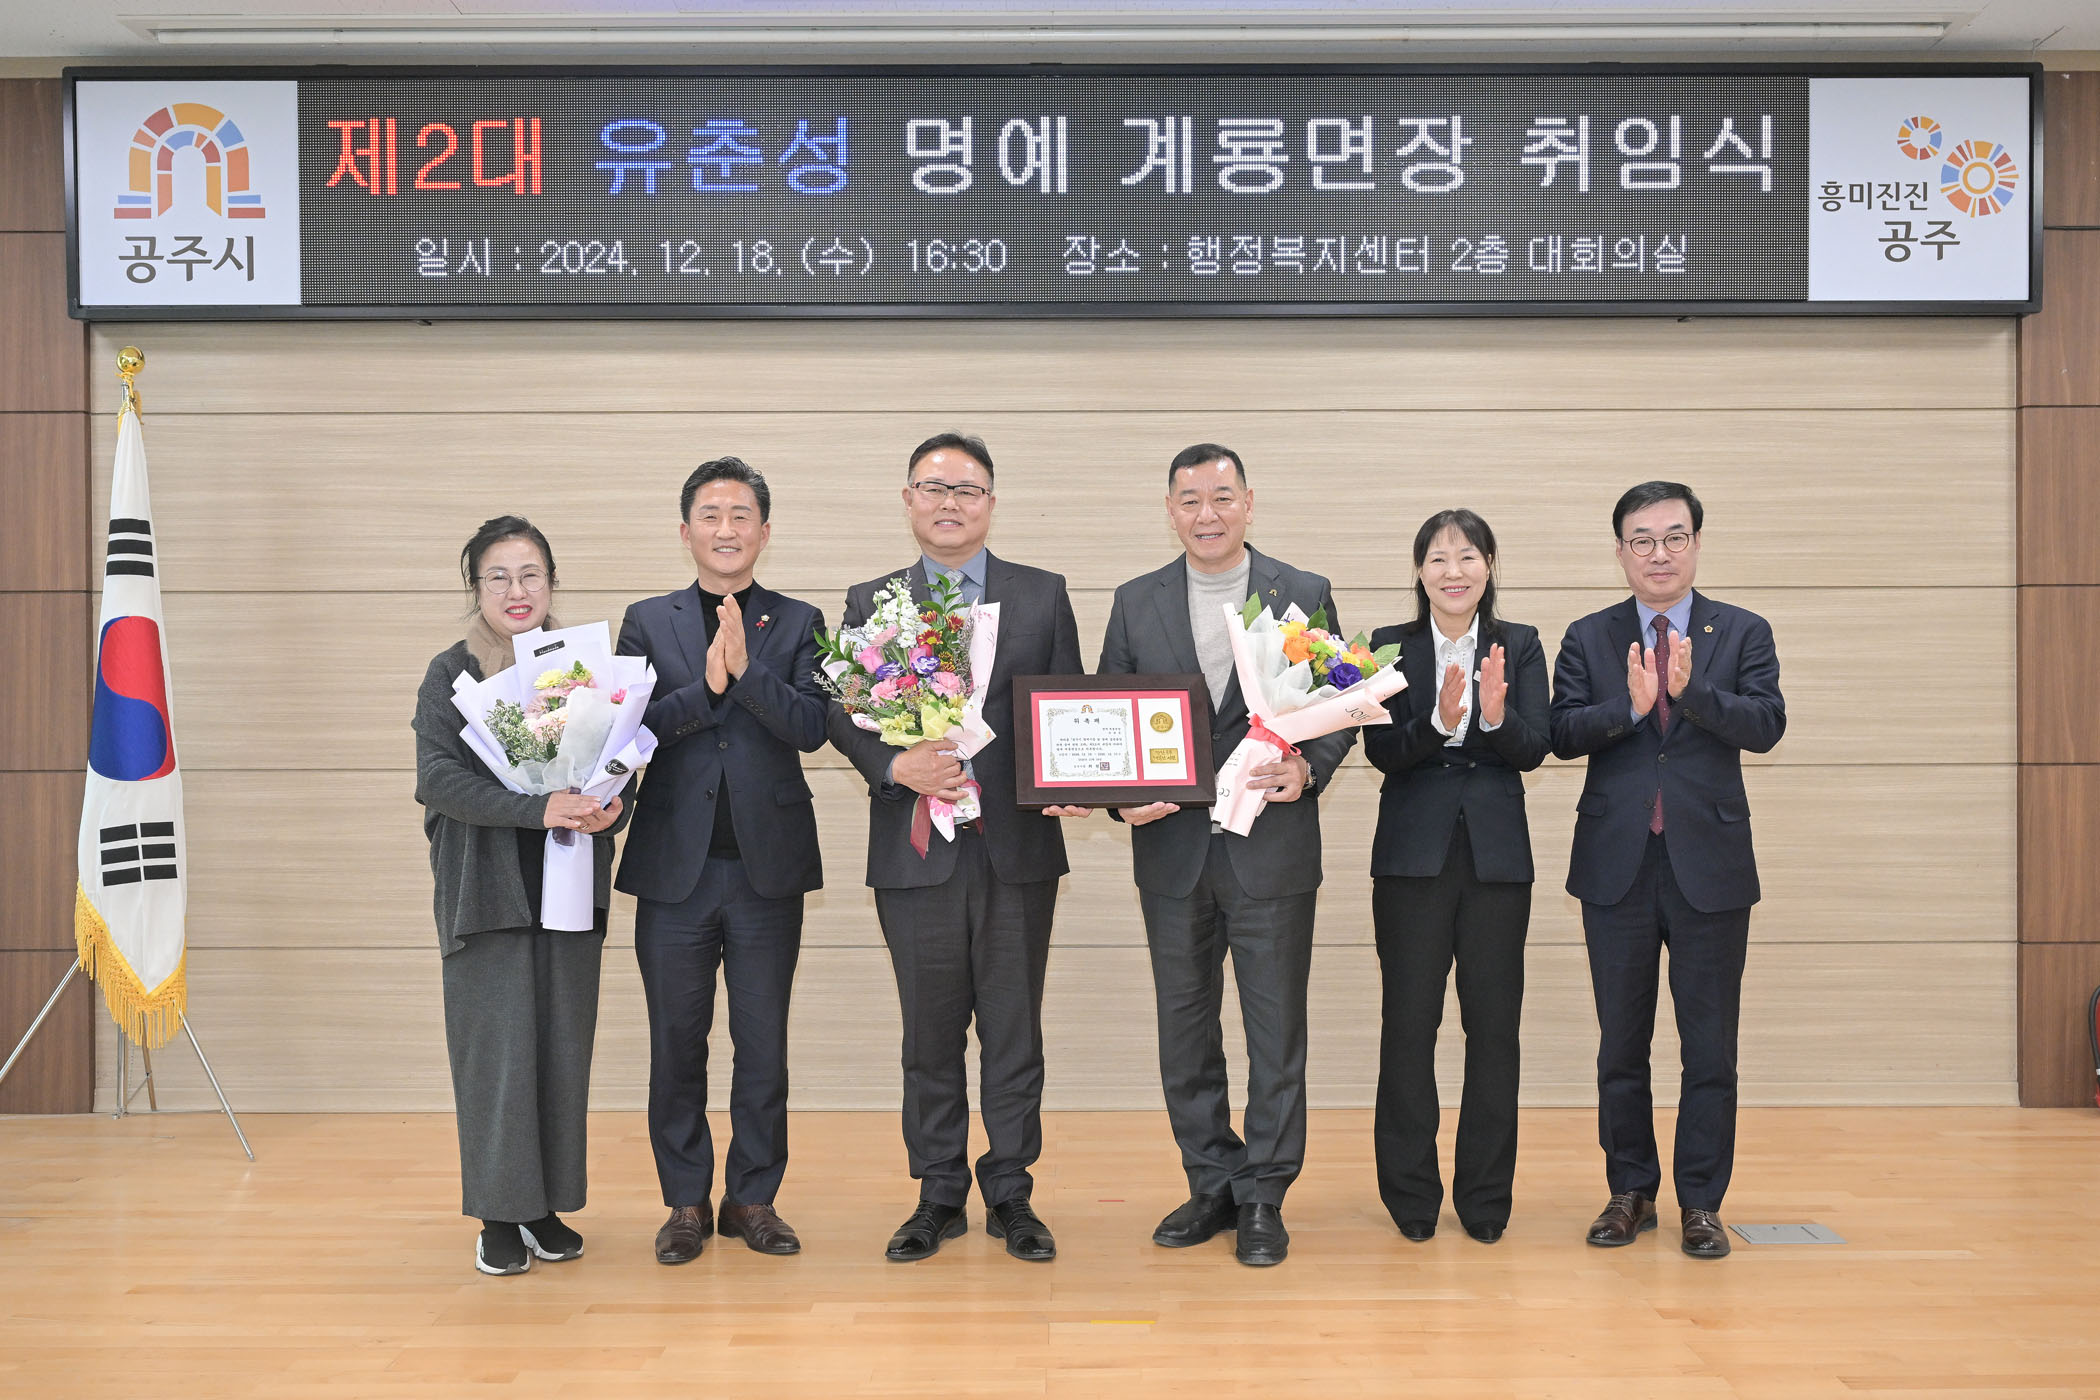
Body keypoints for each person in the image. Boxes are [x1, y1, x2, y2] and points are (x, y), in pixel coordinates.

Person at [826, 432, 1088, 1264]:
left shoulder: (1042, 595)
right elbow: (842, 710)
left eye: (967, 490)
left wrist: (1078, 781)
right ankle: (937, 1191)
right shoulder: (871, 602)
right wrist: (893, 764)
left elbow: (1069, 708)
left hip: (1016, 848)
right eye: (934, 488)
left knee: (1014, 1031)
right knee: (929, 1034)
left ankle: (1011, 1190)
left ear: (991, 504)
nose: (950, 503)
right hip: (916, 851)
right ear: (909, 500)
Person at [1096, 443, 1356, 1268]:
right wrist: (1118, 796)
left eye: (1221, 497)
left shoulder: (1301, 591)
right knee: (1185, 1030)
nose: (1206, 514)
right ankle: (1212, 1179)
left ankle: (1265, 1194)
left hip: (1269, 850)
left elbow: (1342, 699)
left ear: (1249, 502)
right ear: (1170, 510)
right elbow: (1106, 717)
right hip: (1173, 852)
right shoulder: (1135, 602)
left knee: (1275, 1033)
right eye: (1190, 500)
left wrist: (1309, 770)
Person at [1550, 481, 1786, 1260]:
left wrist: (1692, 693)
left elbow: (1767, 725)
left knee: (1709, 1048)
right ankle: (1630, 1191)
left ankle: (1702, 1203)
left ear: (1696, 544)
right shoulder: (1589, 636)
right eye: (1642, 540)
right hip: (1615, 866)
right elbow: (1562, 732)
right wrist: (1629, 706)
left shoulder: (1742, 631)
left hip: (1709, 867)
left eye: (1674, 537)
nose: (1659, 553)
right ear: (1621, 552)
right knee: (1621, 1044)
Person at [616, 457, 829, 1264]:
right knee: (677, 1043)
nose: (727, 528)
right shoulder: (647, 621)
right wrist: (707, 690)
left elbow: (811, 726)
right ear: (686, 531)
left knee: (762, 1044)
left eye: (742, 515)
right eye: (711, 514)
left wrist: (745, 676)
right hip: (674, 870)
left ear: (764, 532)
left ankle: (752, 1199)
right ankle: (684, 1203)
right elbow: (629, 734)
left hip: (766, 870)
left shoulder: (800, 620)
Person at [412, 515, 632, 1277]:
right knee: (497, 1058)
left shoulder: (583, 671)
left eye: (531, 573)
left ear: (551, 582)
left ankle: (544, 1206)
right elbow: (438, 780)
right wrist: (534, 808)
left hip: (568, 889)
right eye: (498, 576)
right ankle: (497, 1215)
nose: (517, 589)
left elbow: (616, 765)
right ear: (475, 586)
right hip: (488, 893)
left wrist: (609, 807)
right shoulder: (453, 675)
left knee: (560, 1051)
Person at [1364, 510, 1550, 1246]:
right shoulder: (1389, 646)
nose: (1453, 571)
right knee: (1409, 1025)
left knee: (1494, 1029)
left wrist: (1495, 720)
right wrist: (1439, 724)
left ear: (1489, 565)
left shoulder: (1521, 644)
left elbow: (1534, 748)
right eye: (1438, 558)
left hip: (1497, 859)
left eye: (1467, 556)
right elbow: (1381, 752)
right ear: (1419, 572)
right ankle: (1410, 1194)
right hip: (1411, 858)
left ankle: (1485, 1197)